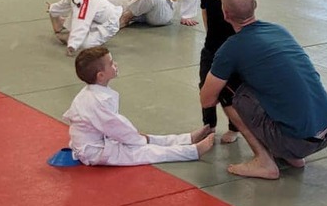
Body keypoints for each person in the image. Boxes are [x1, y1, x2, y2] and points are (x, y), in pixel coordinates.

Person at [199, 0, 327, 178]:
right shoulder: (279, 30)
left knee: (225, 87)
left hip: (296, 141)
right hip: (326, 131)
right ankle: (291, 156)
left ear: (225, 14)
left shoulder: (230, 49)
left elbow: (207, 100)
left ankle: (264, 160)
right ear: (255, 5)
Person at [65, 47, 215, 165]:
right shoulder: (96, 101)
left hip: (104, 140)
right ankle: (192, 151)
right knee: (145, 151)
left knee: (147, 139)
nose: (115, 64)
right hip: (95, 152)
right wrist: (137, 139)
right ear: (101, 76)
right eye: (111, 63)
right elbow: (116, 127)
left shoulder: (93, 93)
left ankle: (187, 138)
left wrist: (137, 137)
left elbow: (116, 128)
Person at [198, 0, 242, 141]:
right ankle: (209, 126)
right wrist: (210, 39)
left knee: (232, 90)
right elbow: (206, 17)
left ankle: (234, 127)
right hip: (210, 51)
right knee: (205, 87)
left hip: (233, 54)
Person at [48, 0, 124, 53]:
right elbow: (66, 3)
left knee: (84, 45)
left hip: (109, 25)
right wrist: (52, 9)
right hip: (97, 18)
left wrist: (73, 44)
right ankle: (62, 23)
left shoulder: (83, 0)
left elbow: (81, 23)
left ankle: (70, 35)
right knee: (75, 9)